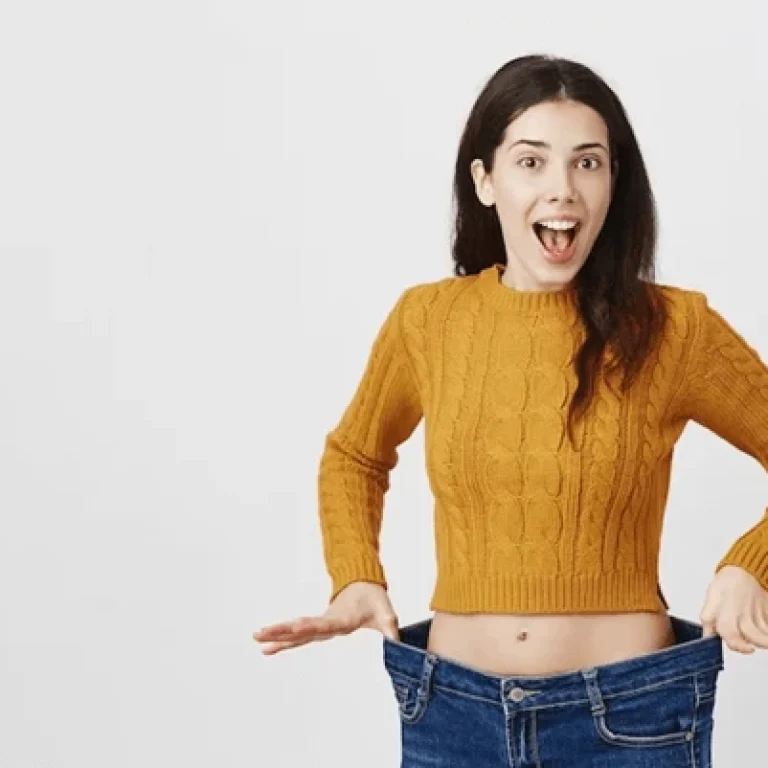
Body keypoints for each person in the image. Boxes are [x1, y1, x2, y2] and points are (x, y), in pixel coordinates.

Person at [254, 54, 768, 766]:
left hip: (633, 719)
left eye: (588, 164)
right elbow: (356, 454)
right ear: (485, 180)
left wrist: (753, 562)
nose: (563, 190)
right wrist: (356, 573)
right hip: (450, 714)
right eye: (532, 162)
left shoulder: (674, 329)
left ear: (614, 182)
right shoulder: (428, 320)